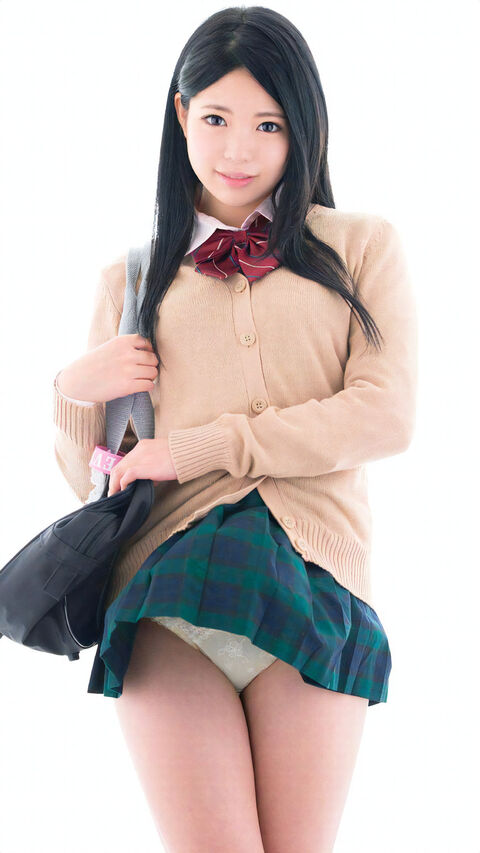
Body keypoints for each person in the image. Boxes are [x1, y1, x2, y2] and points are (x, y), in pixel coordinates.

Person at [52, 6, 418, 852]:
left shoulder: (361, 248)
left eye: (268, 124)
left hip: (315, 581)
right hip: (169, 591)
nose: (238, 149)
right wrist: (72, 391)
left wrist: (201, 447)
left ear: (303, 128)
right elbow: (98, 482)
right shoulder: (130, 281)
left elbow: (386, 413)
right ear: (181, 114)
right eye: (215, 118)